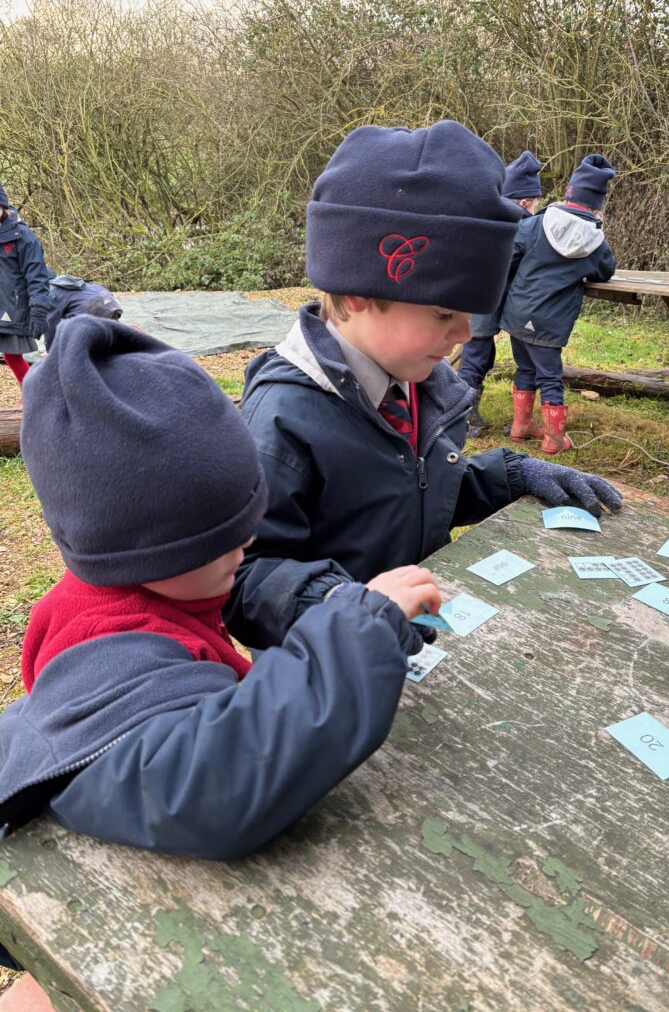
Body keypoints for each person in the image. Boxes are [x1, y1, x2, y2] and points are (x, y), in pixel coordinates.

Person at [0, 315, 442, 863]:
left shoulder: (154, 590)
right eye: (220, 536)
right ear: (141, 550)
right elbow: (214, 786)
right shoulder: (106, 651)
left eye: (247, 516)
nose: (249, 538)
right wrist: (359, 629)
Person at [225, 121, 622, 652]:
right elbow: (243, 582)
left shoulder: (416, 384)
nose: (463, 335)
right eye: (444, 313)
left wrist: (508, 475)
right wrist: (346, 607)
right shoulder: (281, 421)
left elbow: (409, 495)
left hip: (413, 650)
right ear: (360, 291)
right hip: (325, 674)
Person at [502, 153, 617, 453]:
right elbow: (606, 271)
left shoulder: (537, 224)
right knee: (550, 376)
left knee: (525, 368)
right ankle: (553, 439)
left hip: (517, 312)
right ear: (597, 205)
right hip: (549, 321)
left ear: (569, 193)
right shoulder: (593, 242)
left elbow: (511, 253)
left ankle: (521, 425)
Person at [459, 150, 544, 437]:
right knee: (477, 355)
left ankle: (464, 412)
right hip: (480, 299)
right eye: (535, 202)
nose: (536, 208)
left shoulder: (490, 215)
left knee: (480, 352)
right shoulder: (515, 223)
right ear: (524, 201)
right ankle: (462, 417)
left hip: (477, 297)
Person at [0, 183, 49, 387]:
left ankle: (37, 394)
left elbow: (37, 276)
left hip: (13, 307)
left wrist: (38, 310)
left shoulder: (23, 237)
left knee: (13, 357)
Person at [45, 272, 123, 351]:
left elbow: (51, 324)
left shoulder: (50, 290)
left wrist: (50, 351)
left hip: (90, 307)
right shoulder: (66, 282)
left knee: (69, 334)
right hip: (107, 300)